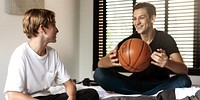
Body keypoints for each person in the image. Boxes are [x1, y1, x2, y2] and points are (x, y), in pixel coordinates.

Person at [93, 2, 192, 95]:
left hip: (160, 84)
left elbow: (184, 70)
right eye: (134, 19)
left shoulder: (165, 39)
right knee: (99, 73)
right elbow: (100, 64)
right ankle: (149, 95)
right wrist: (108, 61)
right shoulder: (130, 42)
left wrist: (167, 63)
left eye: (141, 18)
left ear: (152, 18)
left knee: (184, 80)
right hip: (134, 83)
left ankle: (138, 95)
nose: (137, 22)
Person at [4, 8, 99, 100]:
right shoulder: (21, 54)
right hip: (27, 98)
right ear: (42, 28)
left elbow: (69, 84)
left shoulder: (52, 53)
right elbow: (13, 95)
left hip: (47, 97)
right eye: (53, 25)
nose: (57, 30)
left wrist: (71, 97)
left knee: (91, 93)